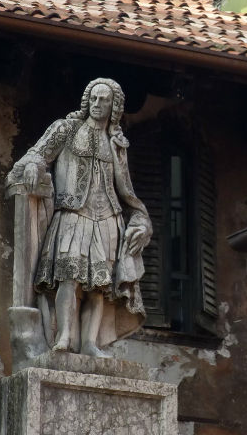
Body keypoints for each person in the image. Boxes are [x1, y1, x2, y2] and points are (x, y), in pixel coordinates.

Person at [8, 77, 150, 358]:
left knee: (98, 288)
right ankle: (64, 337)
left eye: (104, 100)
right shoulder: (66, 129)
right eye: (94, 99)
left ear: (114, 107)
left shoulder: (116, 143)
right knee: (68, 280)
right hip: (73, 216)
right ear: (87, 101)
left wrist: (141, 222)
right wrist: (35, 165)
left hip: (108, 219)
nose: (98, 105)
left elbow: (128, 194)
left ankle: (89, 344)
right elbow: (36, 155)